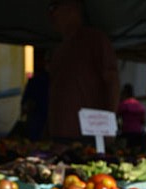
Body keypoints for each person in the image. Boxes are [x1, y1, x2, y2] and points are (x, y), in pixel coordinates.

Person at [47, 0, 120, 143]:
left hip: (88, 136)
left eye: (54, 7)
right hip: (59, 135)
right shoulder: (58, 50)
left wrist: (109, 123)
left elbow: (112, 81)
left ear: (73, 8)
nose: (51, 14)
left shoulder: (94, 39)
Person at [19, 48, 50, 141]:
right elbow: (26, 102)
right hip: (38, 118)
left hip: (41, 118)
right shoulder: (39, 79)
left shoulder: (44, 79)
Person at [117, 83, 146, 150]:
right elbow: (143, 120)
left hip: (127, 132)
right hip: (138, 132)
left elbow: (116, 116)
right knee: (136, 151)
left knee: (126, 151)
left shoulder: (124, 104)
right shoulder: (139, 105)